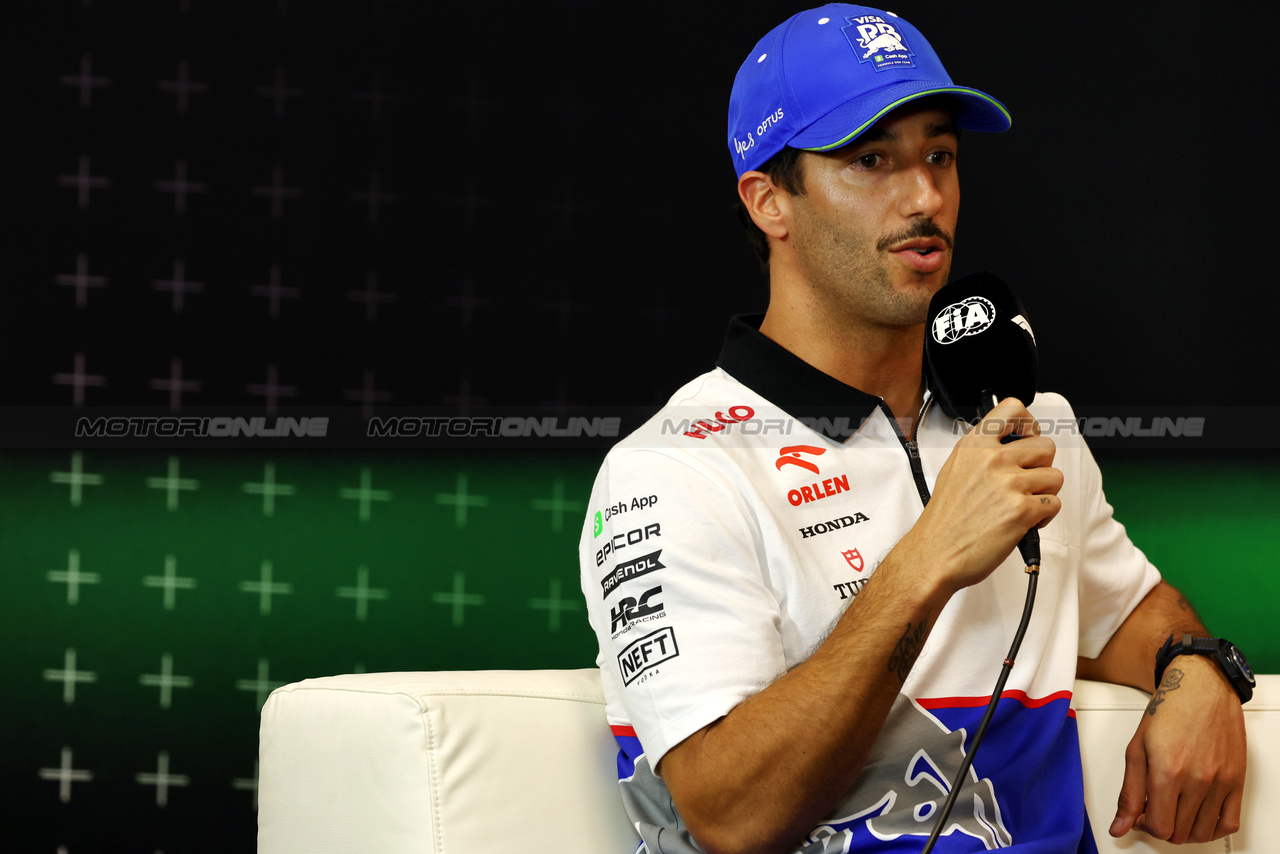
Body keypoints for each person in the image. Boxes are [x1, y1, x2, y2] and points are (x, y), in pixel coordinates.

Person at [577, 5, 1251, 852]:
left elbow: (1131, 615)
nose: (926, 196)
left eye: (940, 155)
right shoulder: (675, 470)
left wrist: (1194, 673)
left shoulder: (1028, 424)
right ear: (767, 202)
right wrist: (931, 555)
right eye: (872, 160)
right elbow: (729, 816)